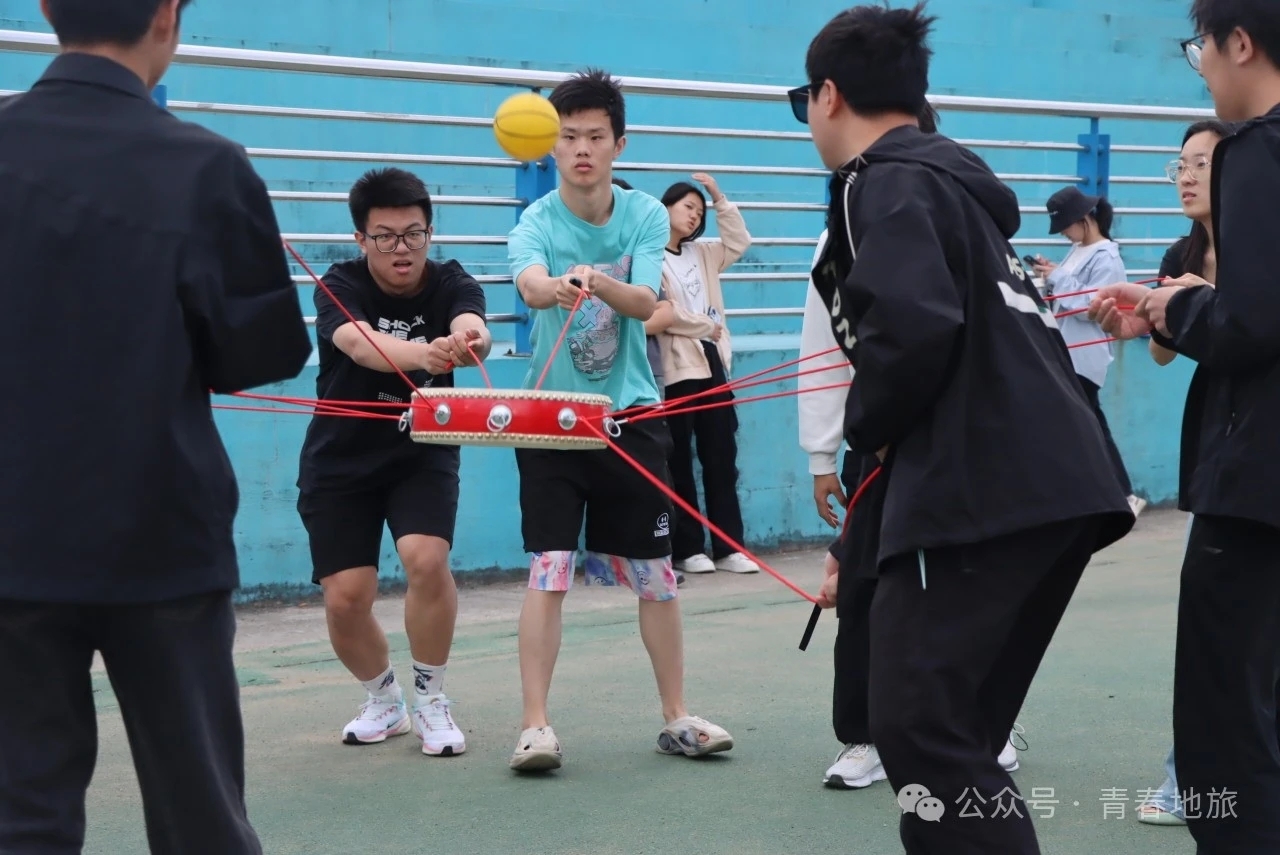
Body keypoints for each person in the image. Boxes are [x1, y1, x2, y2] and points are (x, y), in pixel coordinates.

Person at [794, 4, 1134, 852]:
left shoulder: (880, 181)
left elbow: (912, 331)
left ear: (828, 95)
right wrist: (858, 530)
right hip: (1063, 486)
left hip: (989, 493)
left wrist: (864, 427)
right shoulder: (957, 192)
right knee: (955, 736)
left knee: (921, 730)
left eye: (805, 101)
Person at [0, 0, 313, 851]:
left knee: (21, 815)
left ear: (46, 8)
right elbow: (257, 354)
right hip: (159, 532)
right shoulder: (205, 166)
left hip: (13, 535)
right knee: (199, 813)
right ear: (168, 16)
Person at [505, 67, 732, 772]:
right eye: (569, 136)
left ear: (618, 144)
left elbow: (644, 302)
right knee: (549, 569)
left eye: (596, 136)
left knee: (657, 575)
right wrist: (554, 285)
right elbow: (529, 285)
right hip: (552, 421)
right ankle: (535, 726)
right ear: (551, 144)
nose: (582, 148)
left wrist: (599, 281)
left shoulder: (643, 216)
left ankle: (677, 715)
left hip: (631, 417)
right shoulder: (536, 222)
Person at [1091, 6, 1280, 848]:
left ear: (1240, 42)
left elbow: (1253, 322)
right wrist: (1171, 309)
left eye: (1201, 46)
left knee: (1224, 724)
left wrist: (1181, 307)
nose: (1200, 65)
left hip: (1258, 481)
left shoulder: (1259, 148)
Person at [295, 167, 491, 756]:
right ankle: (384, 699)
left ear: (430, 232)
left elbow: (471, 324)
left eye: (413, 234)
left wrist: (469, 341)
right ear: (362, 239)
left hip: (421, 449)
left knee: (425, 559)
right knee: (345, 598)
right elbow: (359, 344)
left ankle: (432, 699)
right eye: (385, 237)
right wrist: (425, 354)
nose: (401, 248)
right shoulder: (339, 282)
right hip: (340, 456)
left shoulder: (452, 280)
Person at [1133, 118, 1232, 828]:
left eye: (1203, 162)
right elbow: (1163, 350)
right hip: (1222, 442)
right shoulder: (1182, 251)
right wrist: (1154, 313)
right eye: (1181, 164)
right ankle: (1183, 780)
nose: (1188, 176)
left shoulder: (1262, 249)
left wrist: (1204, 301)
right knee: (1213, 623)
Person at [652, 172, 758, 576]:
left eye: (700, 211)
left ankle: (730, 548)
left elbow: (739, 242)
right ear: (666, 207)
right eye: (687, 206)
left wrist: (718, 198)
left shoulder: (704, 253)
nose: (695, 216)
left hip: (712, 359)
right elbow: (662, 313)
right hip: (677, 365)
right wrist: (703, 325)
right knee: (679, 458)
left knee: (721, 457)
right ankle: (689, 547)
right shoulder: (650, 255)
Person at [1031, 188, 1146, 518]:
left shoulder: (1107, 257)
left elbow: (1092, 308)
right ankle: (1114, 494)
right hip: (1065, 352)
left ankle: (1121, 494)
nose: (1064, 234)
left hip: (1084, 357)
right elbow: (1071, 292)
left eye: (1065, 226)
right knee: (1084, 424)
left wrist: (1059, 276)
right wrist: (1051, 273)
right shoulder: (1078, 251)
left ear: (1084, 220)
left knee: (1087, 425)